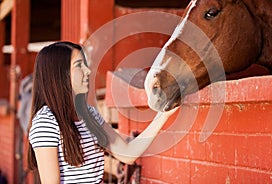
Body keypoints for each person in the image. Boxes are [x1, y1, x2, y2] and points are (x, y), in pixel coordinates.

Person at [27, 41, 177, 184]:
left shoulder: (88, 114)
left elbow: (128, 153)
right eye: (79, 66)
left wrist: (163, 114)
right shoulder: (45, 123)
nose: (88, 71)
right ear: (59, 74)